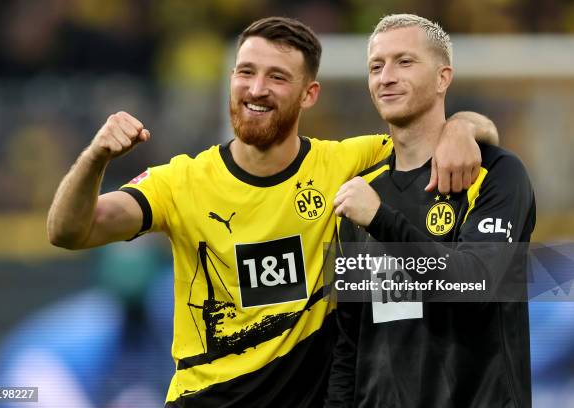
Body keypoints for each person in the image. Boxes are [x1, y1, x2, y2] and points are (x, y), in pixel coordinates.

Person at [47, 17, 498, 408]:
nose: (257, 89)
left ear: (309, 94)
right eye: (246, 72)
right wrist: (95, 158)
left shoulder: (348, 163)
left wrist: (460, 127)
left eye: (277, 77)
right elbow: (69, 232)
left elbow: (467, 136)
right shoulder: (181, 181)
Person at [326, 14, 535, 408]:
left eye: (404, 62)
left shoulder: (498, 174)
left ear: (443, 78)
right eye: (376, 66)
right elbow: (350, 343)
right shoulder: (361, 194)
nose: (386, 76)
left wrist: (381, 220)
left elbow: (474, 288)